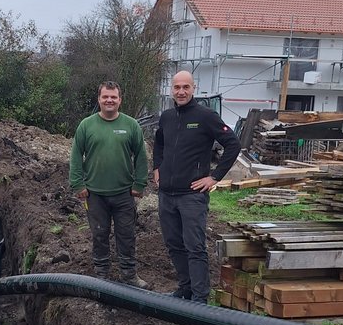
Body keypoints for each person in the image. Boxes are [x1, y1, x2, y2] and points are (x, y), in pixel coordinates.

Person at [153, 71, 240, 303]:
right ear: (171, 90)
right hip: (166, 194)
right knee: (173, 244)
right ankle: (186, 287)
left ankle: (200, 297)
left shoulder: (206, 116)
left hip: (192, 195)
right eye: (177, 87)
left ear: (193, 88)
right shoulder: (167, 117)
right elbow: (159, 143)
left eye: (185, 87)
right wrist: (157, 167)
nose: (181, 92)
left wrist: (214, 177)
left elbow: (233, 144)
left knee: (194, 247)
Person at [69, 81, 149, 287]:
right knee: (99, 234)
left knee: (127, 235)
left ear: (120, 100)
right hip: (95, 194)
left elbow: (141, 156)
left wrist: (139, 184)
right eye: (105, 97)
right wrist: (78, 184)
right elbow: (76, 156)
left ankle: (129, 275)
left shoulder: (131, 125)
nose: (109, 100)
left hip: (124, 193)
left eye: (113, 97)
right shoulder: (86, 126)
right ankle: (102, 274)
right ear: (99, 99)